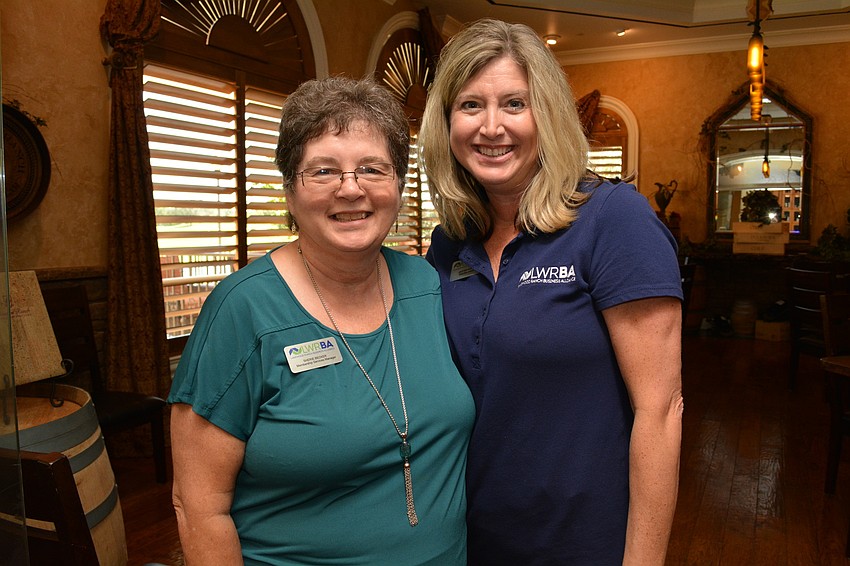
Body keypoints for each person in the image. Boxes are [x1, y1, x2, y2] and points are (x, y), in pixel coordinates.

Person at [168, 76, 475, 565]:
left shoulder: (430, 286)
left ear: (398, 185)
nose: (350, 189)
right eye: (324, 171)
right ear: (290, 190)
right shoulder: (242, 310)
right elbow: (199, 505)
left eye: (372, 169)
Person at [419, 18, 684, 565]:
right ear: (445, 123)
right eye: (470, 105)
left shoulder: (613, 220)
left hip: (583, 542)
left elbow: (660, 412)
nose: (492, 127)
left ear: (549, 115)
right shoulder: (450, 240)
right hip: (469, 538)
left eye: (515, 103)